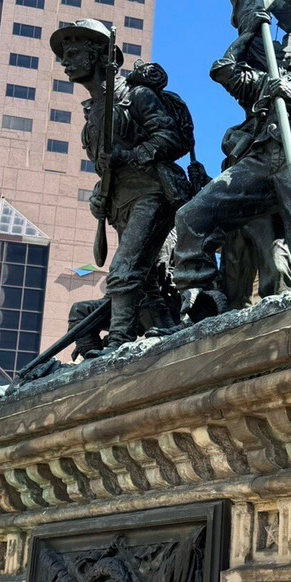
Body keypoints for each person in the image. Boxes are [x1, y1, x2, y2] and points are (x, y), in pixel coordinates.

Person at [171, 17, 291, 323]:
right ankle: (200, 294)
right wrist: (248, 34)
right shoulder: (280, 75)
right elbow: (224, 70)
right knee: (192, 215)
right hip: (261, 158)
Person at [51, 20, 191, 358]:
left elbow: (169, 139)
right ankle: (159, 329)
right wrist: (101, 194)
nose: (65, 62)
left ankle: (118, 344)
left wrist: (129, 154)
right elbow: (107, 169)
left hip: (153, 193)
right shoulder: (92, 115)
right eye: (64, 56)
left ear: (99, 55)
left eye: (74, 54)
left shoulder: (136, 96)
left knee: (123, 272)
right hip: (120, 206)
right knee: (143, 281)